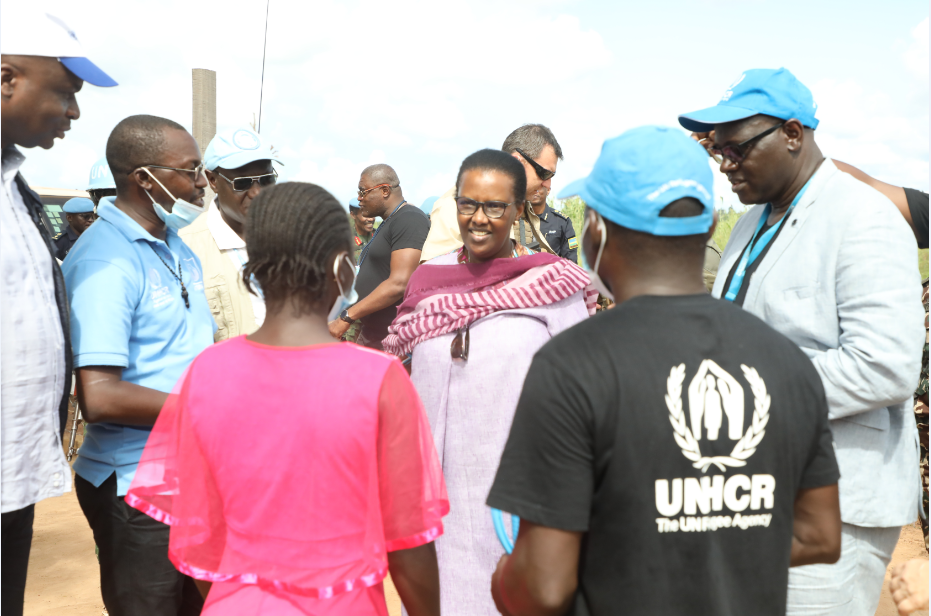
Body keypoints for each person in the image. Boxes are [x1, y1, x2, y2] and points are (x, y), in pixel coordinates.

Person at [487, 126, 842, 616]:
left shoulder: (572, 367)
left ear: (595, 229)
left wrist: (504, 577)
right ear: (710, 223)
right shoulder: (786, 361)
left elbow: (542, 589)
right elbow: (820, 534)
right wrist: (710, 544)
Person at [125, 182, 448, 616]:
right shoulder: (379, 378)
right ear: (343, 269)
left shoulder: (207, 371)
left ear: (253, 267)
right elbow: (409, 544)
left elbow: (199, 535)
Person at [679, 67, 924, 615]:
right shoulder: (751, 224)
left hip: (833, 506)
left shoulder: (863, 218)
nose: (725, 164)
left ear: (792, 134)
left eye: (737, 148)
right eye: (717, 150)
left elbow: (884, 365)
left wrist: (745, 391)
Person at [382, 149, 597, 615]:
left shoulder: (551, 283)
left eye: (495, 207)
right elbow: (403, 371)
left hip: (518, 496)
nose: (478, 219)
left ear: (518, 210)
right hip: (436, 496)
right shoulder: (428, 281)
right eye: (468, 204)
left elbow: (584, 395)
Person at [62, 114, 215, 616]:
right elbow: (100, 396)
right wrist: (208, 410)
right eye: (190, 170)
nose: (201, 183)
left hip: (187, 473)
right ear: (145, 179)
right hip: (135, 485)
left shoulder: (176, 247)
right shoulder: (106, 260)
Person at [0, 8, 116, 615]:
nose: (73, 112)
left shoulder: (15, 188)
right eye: (66, 92)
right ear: (7, 78)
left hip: (14, 474)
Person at [180, 126, 280, 341]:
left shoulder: (292, 237)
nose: (257, 193)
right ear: (212, 181)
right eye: (242, 183)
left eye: (266, 179)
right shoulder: (184, 248)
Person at [418, 124, 561, 262]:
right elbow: (434, 273)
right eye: (544, 173)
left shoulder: (524, 207)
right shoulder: (453, 205)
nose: (547, 184)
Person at [328, 164, 429, 350]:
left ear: (384, 191)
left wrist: (346, 317)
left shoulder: (409, 219)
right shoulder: (390, 221)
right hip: (372, 332)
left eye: (363, 191)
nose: (359, 198)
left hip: (392, 338)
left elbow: (400, 283)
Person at [349, 196, 374, 262]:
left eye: (372, 214)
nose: (371, 219)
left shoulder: (381, 235)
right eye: (365, 215)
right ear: (353, 215)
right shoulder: (346, 241)